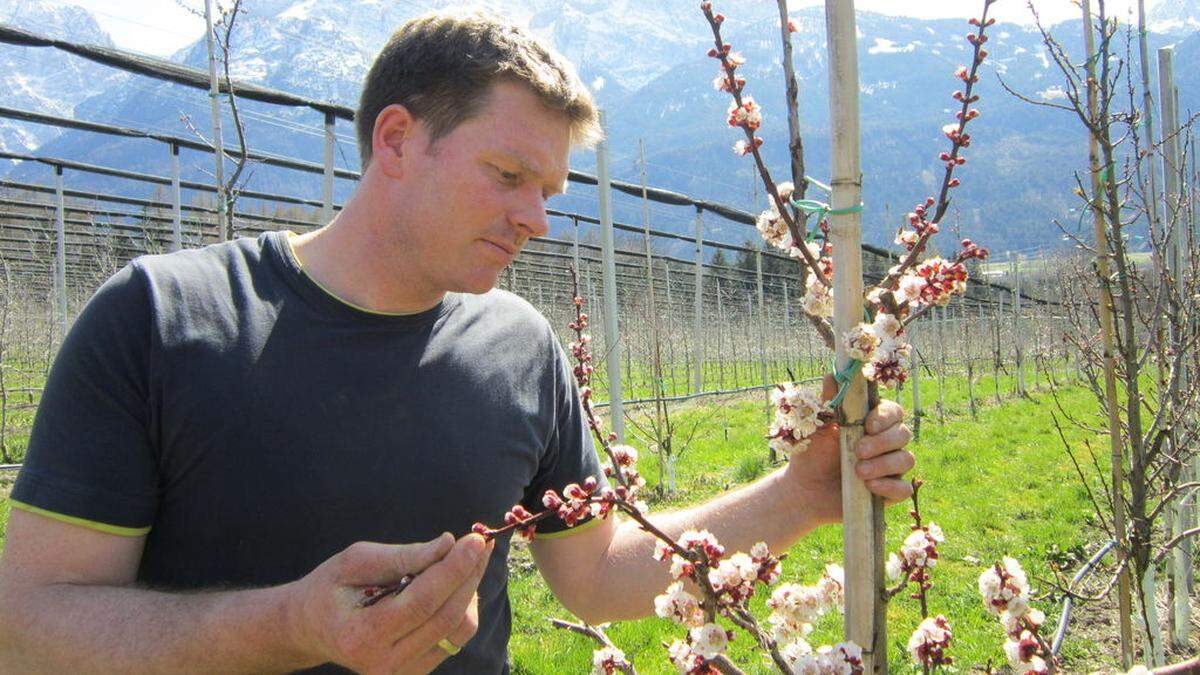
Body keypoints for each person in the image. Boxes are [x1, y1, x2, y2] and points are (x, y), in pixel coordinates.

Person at [0, 9, 914, 674]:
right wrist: (289, 625)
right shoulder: (162, 319)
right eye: (509, 174)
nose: (537, 220)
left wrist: (800, 492)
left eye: (548, 190)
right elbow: (29, 627)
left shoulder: (519, 348)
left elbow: (595, 575)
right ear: (396, 140)